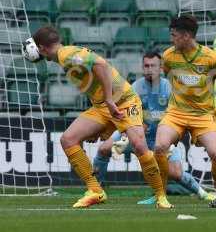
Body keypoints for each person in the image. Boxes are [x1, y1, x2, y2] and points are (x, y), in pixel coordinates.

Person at [22, 27, 172, 209]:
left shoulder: (65, 55)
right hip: (101, 107)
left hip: (124, 101)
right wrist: (100, 124)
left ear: (42, 48)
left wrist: (109, 99)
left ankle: (160, 196)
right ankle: (95, 190)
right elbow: (91, 83)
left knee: (139, 145)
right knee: (68, 139)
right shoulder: (65, 56)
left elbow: (100, 65)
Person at [93, 51, 215, 203]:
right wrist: (133, 127)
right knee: (103, 149)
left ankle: (203, 194)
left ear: (161, 68)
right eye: (146, 66)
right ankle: (96, 190)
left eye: (153, 65)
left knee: (176, 173)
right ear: (142, 68)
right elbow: (126, 112)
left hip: (162, 138)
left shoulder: (170, 88)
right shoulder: (135, 87)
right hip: (137, 135)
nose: (149, 69)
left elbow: (180, 115)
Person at [154, 15, 216, 202]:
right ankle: (161, 196)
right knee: (159, 147)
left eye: (174, 35)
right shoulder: (168, 56)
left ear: (186, 35)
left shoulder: (211, 58)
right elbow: (168, 77)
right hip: (176, 114)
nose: (171, 39)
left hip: (203, 116)